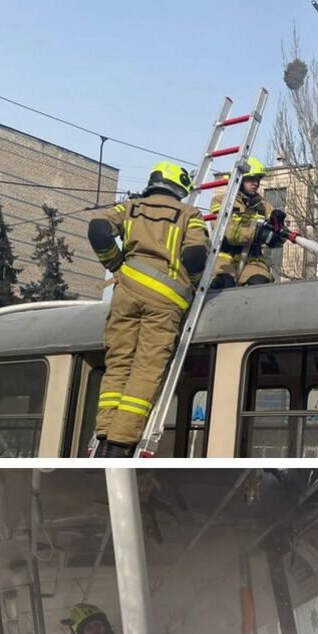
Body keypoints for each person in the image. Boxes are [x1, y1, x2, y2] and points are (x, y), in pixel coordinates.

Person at [85, 162, 210, 456]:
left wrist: (115, 264)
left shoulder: (128, 208)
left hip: (125, 294)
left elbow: (98, 230)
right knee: (147, 367)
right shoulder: (189, 214)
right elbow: (194, 256)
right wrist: (190, 286)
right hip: (166, 300)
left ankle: (104, 431)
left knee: (118, 364)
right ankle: (122, 441)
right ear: (179, 187)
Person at [208, 156, 287, 289]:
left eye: (258, 180)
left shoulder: (263, 205)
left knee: (259, 284)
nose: (255, 183)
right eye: (251, 179)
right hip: (225, 258)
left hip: (253, 259)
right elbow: (226, 230)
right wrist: (257, 233)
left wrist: (278, 229)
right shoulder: (222, 201)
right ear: (239, 180)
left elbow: (279, 238)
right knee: (224, 284)